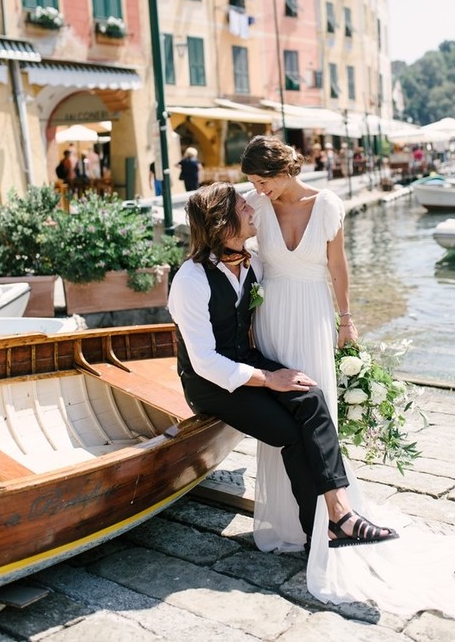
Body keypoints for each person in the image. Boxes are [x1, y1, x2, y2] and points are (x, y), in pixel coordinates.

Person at [240, 134, 455, 625]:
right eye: (252, 182)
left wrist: (346, 320)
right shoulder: (251, 204)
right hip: (269, 319)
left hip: (311, 315)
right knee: (278, 413)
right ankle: (291, 524)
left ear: (285, 169)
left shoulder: (326, 204)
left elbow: (337, 265)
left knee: (316, 409)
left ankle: (336, 513)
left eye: (263, 180)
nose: (259, 190)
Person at [168, 182, 398, 556]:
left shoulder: (253, 262)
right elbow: (205, 362)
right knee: (290, 431)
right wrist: (269, 379)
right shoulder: (190, 280)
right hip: (211, 384)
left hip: (246, 362)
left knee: (310, 396)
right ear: (222, 223)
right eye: (243, 207)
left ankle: (339, 515)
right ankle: (318, 529)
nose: (252, 210)